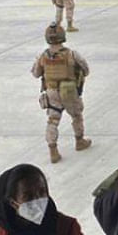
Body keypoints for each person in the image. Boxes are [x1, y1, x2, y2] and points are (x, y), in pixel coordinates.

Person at [33, 23, 92, 164]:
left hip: (52, 92)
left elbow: (36, 73)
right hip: (70, 91)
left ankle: (53, 150)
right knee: (77, 116)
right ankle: (79, 141)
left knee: (53, 120)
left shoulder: (43, 56)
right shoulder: (72, 54)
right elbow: (86, 69)